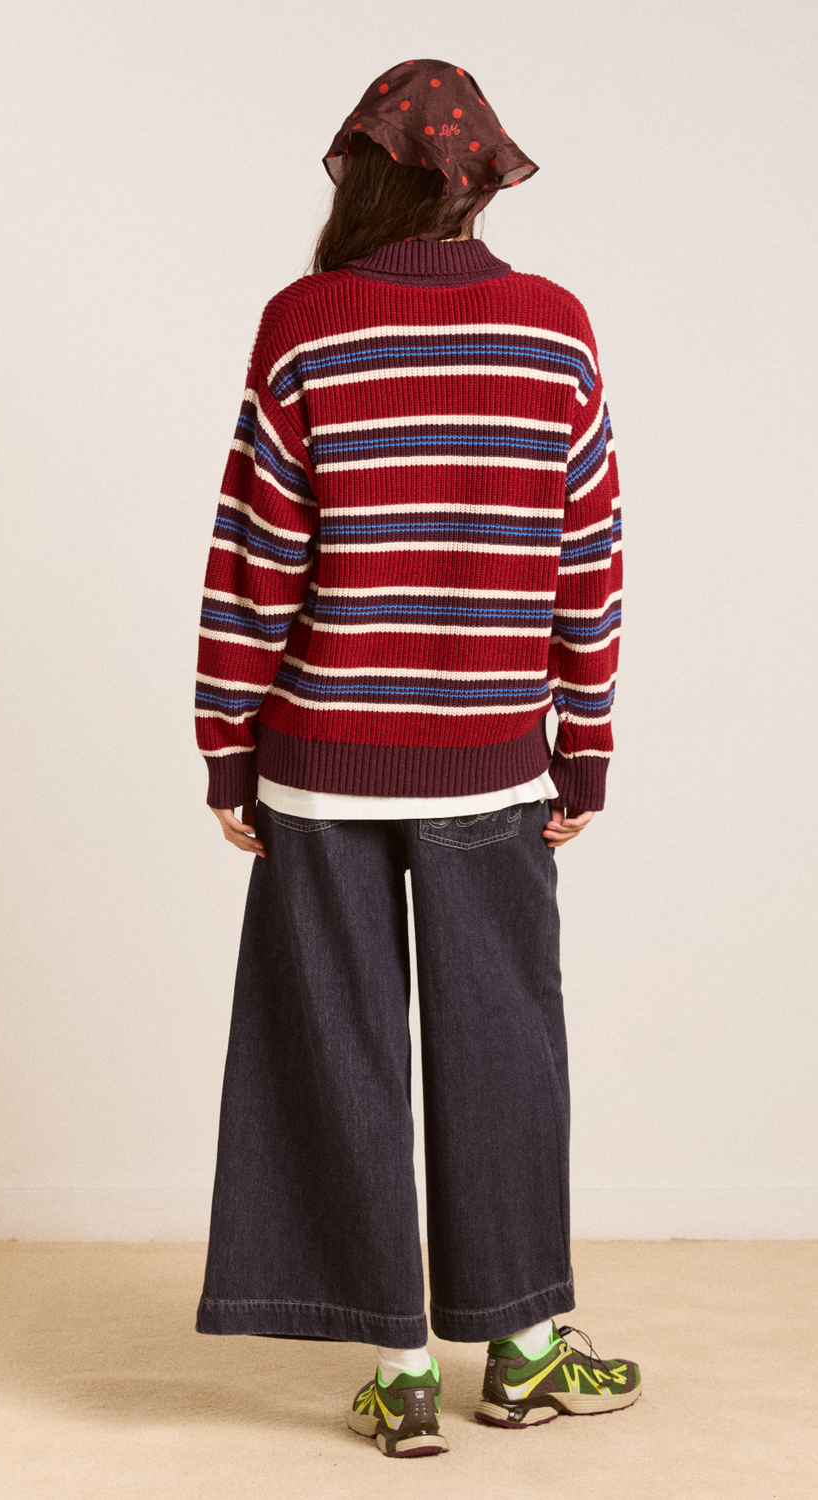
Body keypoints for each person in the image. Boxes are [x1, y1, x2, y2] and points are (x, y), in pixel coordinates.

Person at [193, 58, 640, 1458]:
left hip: (320, 757)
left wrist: (227, 744)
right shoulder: (552, 327)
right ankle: (523, 1352)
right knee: (507, 1045)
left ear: (362, 173)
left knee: (338, 1047)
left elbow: (255, 555)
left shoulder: (305, 324)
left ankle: (397, 1370)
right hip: (493, 762)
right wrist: (584, 742)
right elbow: (587, 556)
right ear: (479, 177)